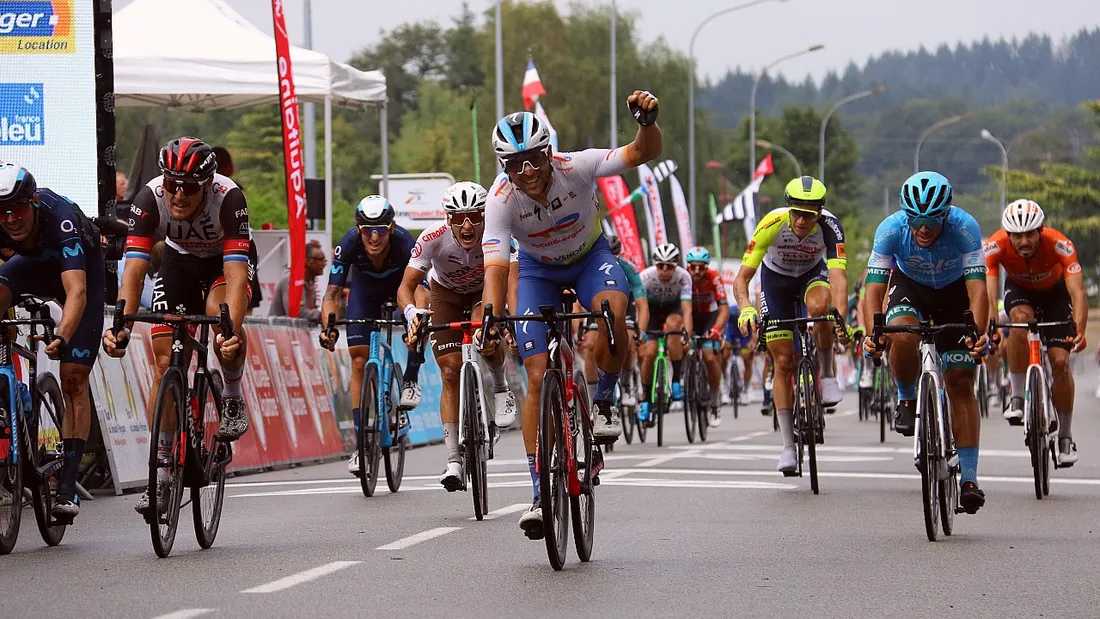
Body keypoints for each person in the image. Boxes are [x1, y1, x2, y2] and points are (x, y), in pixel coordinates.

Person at [479, 90, 662, 539]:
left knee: (612, 314)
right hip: (537, 272)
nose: (527, 172)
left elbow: (641, 153)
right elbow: (496, 269)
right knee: (536, 375)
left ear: (548, 153)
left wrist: (647, 124)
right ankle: (539, 493)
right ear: (504, 167)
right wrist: (492, 316)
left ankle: (604, 402)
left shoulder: (576, 166)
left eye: (533, 160)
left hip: (589, 260)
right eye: (515, 165)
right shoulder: (500, 199)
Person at [103, 137, 253, 516]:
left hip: (223, 263)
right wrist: (121, 324)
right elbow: (134, 270)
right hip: (178, 262)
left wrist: (230, 332)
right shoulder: (149, 198)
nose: (179, 195)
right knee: (164, 362)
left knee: (221, 319)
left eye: (188, 187)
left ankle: (232, 395)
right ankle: (162, 473)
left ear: (207, 184)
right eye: (172, 184)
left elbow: (237, 279)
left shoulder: (229, 198)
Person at [861, 171, 988, 514]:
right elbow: (873, 290)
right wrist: (873, 334)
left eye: (931, 221)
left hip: (955, 292)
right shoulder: (890, 229)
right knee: (900, 332)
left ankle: (969, 479)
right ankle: (906, 397)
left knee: (961, 382)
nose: (923, 229)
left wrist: (977, 333)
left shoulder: (965, 227)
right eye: (915, 220)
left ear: (945, 215)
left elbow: (978, 289)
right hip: (910, 287)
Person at [0, 164, 104, 521]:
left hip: (78, 275)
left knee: (73, 378)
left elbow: (76, 292)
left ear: (33, 203)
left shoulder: (60, 218)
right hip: (28, 268)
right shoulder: (5, 221)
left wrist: (62, 335)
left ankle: (67, 486)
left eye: (17, 209)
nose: (10, 219)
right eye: (3, 212)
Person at [398, 181, 518, 490]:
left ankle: (501, 386)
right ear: (448, 218)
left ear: (484, 216)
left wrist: (512, 318)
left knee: (485, 333)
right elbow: (406, 287)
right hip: (446, 295)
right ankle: (453, 458)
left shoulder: (497, 233)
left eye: (474, 217)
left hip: (483, 292)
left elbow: (511, 279)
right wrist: (412, 314)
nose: (467, 226)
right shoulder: (432, 238)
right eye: (459, 218)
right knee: (450, 371)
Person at [733, 176, 850, 474]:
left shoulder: (831, 227)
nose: (800, 220)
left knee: (821, 309)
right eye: (796, 213)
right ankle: (787, 446)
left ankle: (828, 376)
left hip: (812, 276)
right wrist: (746, 308)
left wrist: (840, 317)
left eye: (808, 215)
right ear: (789, 209)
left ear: (819, 213)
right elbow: (742, 278)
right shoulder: (772, 223)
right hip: (776, 283)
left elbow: (838, 278)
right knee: (783, 362)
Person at [317, 195, 419, 477]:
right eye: (367, 230)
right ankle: (362, 445)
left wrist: (417, 320)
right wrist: (329, 328)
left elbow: (420, 289)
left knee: (418, 327)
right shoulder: (348, 243)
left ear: (392, 228)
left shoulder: (405, 243)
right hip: (365, 293)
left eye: (381, 230)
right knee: (359, 360)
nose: (374, 237)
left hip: (401, 291)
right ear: (358, 229)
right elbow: (331, 294)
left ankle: (410, 380)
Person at [984, 199, 1087, 465]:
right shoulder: (995, 245)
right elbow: (989, 293)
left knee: (1060, 363)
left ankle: (1065, 436)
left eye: (1030, 234)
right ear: (1008, 235)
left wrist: (1080, 329)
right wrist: (992, 326)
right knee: (1019, 320)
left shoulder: (1060, 244)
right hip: (1020, 293)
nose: (1024, 241)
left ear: (1041, 231)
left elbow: (1077, 292)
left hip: (1056, 296)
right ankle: (1017, 397)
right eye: (1017, 236)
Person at [579, 234, 647, 409]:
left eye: (613, 254)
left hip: (625, 304)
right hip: (598, 303)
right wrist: (578, 329)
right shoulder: (588, 265)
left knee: (629, 341)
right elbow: (577, 304)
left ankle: (627, 385)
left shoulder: (628, 268)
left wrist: (641, 331)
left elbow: (642, 305)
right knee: (589, 346)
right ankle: (593, 398)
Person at [637, 243, 693, 424]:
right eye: (661, 265)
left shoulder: (684, 277)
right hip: (651, 311)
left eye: (669, 266)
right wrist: (640, 333)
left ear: (676, 266)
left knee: (674, 325)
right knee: (649, 352)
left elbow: (687, 310)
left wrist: (687, 335)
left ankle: (676, 381)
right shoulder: (645, 277)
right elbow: (641, 308)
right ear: (655, 265)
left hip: (673, 309)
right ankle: (646, 400)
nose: (665, 270)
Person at [211, 146, 263, 315]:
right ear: (228, 166)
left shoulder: (230, 190)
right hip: (233, 247)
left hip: (229, 247)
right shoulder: (235, 190)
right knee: (241, 308)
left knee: (236, 302)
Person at [685, 246, 729, 425]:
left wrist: (717, 329)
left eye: (701, 267)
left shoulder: (714, 277)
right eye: (693, 267)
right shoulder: (683, 277)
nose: (697, 271)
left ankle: (715, 399)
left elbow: (724, 309)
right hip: (690, 316)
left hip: (709, 318)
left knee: (710, 357)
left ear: (707, 267)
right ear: (687, 266)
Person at [269, 240, 325, 324]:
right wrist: (321, 315)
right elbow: (294, 312)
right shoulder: (291, 280)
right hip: (278, 330)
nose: (324, 264)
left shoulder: (309, 282)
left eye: (324, 260)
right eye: (320, 260)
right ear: (307, 261)